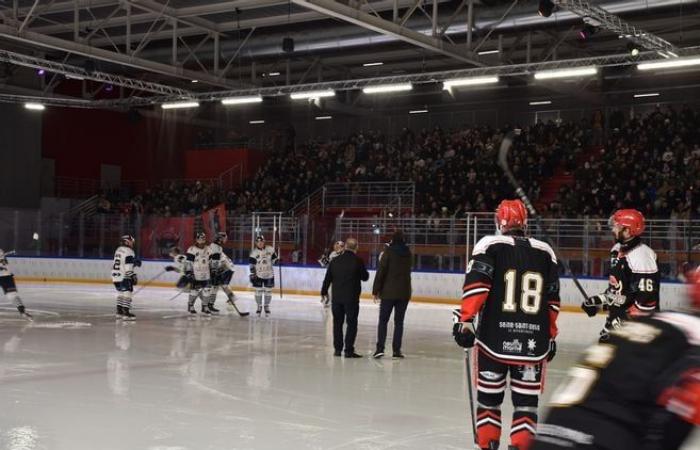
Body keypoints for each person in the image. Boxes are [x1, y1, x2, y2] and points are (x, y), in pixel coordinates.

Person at [530, 270, 700, 450]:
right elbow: (675, 419)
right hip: (603, 440)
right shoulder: (693, 340)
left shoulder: (649, 322)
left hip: (548, 432)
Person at [452, 199, 560, 450]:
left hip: (493, 343)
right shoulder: (546, 252)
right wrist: (551, 336)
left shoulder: (489, 245)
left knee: (489, 401)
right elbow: (552, 301)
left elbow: (477, 287)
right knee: (526, 405)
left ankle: (488, 444)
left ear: (500, 221)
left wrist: (465, 320)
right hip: (533, 345)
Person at [581, 209, 659, 341]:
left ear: (628, 231)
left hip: (637, 331)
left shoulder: (642, 257)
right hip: (615, 322)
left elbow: (647, 303)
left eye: (617, 226)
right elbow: (619, 291)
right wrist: (598, 301)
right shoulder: (616, 250)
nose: (613, 230)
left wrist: (624, 321)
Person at [321, 238, 369, 358]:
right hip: (351, 298)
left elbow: (328, 278)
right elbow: (365, 277)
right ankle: (348, 350)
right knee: (351, 323)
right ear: (356, 247)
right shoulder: (358, 261)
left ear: (345, 246)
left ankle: (337, 349)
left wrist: (324, 291)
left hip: (337, 297)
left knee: (337, 323)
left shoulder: (335, 261)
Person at [372, 230, 412, 359]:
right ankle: (396, 350)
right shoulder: (408, 253)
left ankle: (380, 348)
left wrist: (375, 290)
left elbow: (381, 271)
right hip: (404, 292)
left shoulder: (388, 252)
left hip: (388, 292)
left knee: (383, 321)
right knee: (399, 322)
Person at [209, 232, 241, 313]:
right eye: (224, 238)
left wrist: (215, 271)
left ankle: (210, 304)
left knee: (216, 286)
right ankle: (232, 297)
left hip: (226, 268)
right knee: (220, 286)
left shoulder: (215, 246)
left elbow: (215, 261)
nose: (225, 240)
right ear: (220, 238)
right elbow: (214, 260)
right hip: (227, 268)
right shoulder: (216, 247)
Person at [111, 235, 141, 320]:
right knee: (128, 293)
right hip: (124, 275)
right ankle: (126, 313)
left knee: (120, 293)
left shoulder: (118, 250)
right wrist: (132, 275)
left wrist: (134, 263)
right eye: (131, 241)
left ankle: (119, 312)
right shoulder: (129, 251)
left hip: (115, 275)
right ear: (127, 241)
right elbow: (128, 266)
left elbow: (121, 262)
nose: (132, 243)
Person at [185, 232, 214, 315]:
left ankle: (205, 306)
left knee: (207, 290)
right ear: (196, 239)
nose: (202, 240)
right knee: (194, 291)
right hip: (196, 274)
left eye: (203, 238)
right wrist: (189, 273)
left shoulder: (209, 249)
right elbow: (189, 263)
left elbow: (211, 262)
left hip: (206, 273)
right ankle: (190, 305)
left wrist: (213, 270)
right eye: (200, 238)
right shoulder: (191, 250)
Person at [249, 235, 278, 316]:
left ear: (264, 241)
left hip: (269, 274)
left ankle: (266, 306)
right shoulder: (253, 253)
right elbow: (251, 264)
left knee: (268, 291)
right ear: (256, 243)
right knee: (258, 291)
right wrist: (252, 273)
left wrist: (277, 261)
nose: (260, 243)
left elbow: (274, 259)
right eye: (258, 242)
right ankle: (259, 306)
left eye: (261, 241)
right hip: (258, 275)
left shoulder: (270, 249)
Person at [0, 249, 32, 320]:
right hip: (6, 277)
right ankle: (22, 311)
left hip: (5, 276)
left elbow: (3, 263)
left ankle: (22, 311)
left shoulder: (1, 253)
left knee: (12, 295)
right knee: (12, 295)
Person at [319, 240, 345, 308]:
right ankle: (327, 299)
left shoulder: (344, 254)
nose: (336, 247)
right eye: (336, 245)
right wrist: (324, 260)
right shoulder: (332, 253)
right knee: (327, 287)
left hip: (340, 275)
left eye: (339, 246)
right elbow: (328, 264)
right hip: (331, 274)